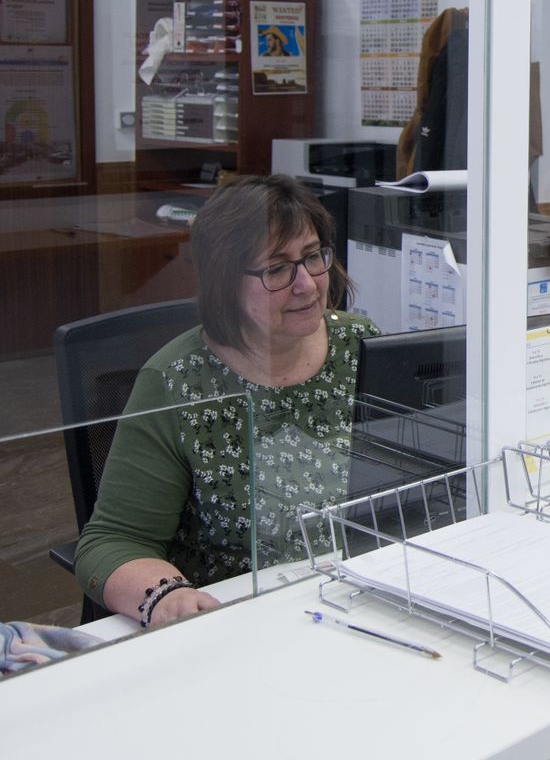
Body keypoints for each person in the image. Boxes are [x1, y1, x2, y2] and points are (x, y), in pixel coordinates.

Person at [75, 175, 378, 628]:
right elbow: (111, 542)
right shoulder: (177, 383)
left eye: (312, 257)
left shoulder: (362, 343)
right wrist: (167, 597)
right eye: (277, 268)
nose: (308, 285)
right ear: (224, 281)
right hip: (234, 617)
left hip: (354, 596)